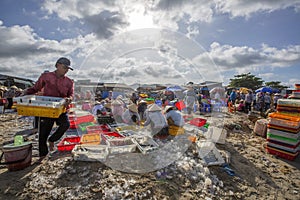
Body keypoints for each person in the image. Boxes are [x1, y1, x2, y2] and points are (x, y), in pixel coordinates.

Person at [23, 57, 74, 158]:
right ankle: (43, 155)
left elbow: (71, 95)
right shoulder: (46, 76)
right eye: (64, 67)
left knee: (65, 125)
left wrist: (69, 99)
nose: (66, 70)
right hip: (47, 108)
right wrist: (24, 94)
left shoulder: (69, 82)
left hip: (61, 108)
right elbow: (35, 88)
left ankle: (52, 140)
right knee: (43, 135)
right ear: (57, 65)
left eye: (68, 68)